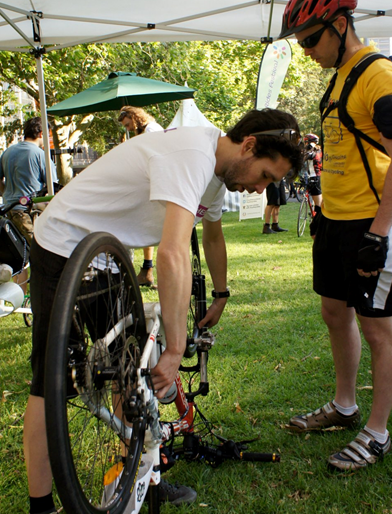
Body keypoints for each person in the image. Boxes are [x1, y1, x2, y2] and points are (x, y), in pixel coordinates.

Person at [23, 108, 302, 514]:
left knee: (128, 370)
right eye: (265, 176)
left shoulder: (218, 179)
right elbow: (172, 253)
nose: (261, 190)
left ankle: (136, 474)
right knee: (51, 383)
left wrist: (221, 293)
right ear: (249, 145)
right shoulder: (193, 154)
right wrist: (173, 350)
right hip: (63, 243)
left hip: (106, 255)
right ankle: (41, 505)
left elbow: (211, 236)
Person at [280, 0, 392, 471]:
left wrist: (379, 233)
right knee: (334, 314)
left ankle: (377, 433)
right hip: (337, 221)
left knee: (379, 328)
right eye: (301, 42)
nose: (306, 50)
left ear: (341, 24)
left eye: (311, 39)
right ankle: (344, 406)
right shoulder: (340, 75)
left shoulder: (378, 75)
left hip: (373, 223)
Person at [0, 117, 56, 245]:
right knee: (40, 250)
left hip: (8, 209)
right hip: (27, 212)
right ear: (41, 134)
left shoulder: (8, 151)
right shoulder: (40, 154)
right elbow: (53, 187)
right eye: (48, 136)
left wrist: (7, 193)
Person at [119, 106, 164, 288]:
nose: (128, 129)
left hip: (157, 183)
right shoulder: (146, 130)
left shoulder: (152, 130)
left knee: (155, 228)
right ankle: (147, 270)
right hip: (151, 182)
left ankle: (154, 272)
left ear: (135, 118)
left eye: (128, 124)